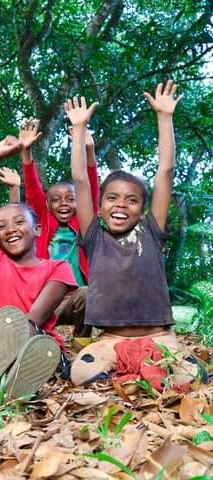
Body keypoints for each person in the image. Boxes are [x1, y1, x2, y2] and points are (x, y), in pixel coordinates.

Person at [65, 83, 198, 387]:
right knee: (82, 374)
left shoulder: (151, 231)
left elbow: (165, 171)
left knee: (188, 377)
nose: (121, 205)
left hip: (160, 337)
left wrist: (164, 117)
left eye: (132, 200)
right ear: (100, 206)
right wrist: (80, 129)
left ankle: (150, 369)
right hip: (111, 340)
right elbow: (80, 181)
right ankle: (125, 370)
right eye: (112, 198)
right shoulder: (94, 237)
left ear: (142, 209)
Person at [0, 135, 77, 402]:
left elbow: (35, 317)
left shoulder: (57, 268)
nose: (10, 229)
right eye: (1, 226)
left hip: (35, 342)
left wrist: (10, 340)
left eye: (19, 222)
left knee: (24, 331)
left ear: (37, 230)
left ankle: (12, 375)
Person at [19, 118, 99, 344]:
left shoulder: (84, 224)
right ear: (47, 204)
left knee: (88, 292)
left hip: (76, 299)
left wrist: (89, 150)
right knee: (32, 324)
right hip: (47, 299)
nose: (63, 203)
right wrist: (26, 152)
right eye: (56, 200)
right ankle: (37, 342)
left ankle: (82, 341)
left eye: (70, 199)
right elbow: (32, 189)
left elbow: (91, 188)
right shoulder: (44, 222)